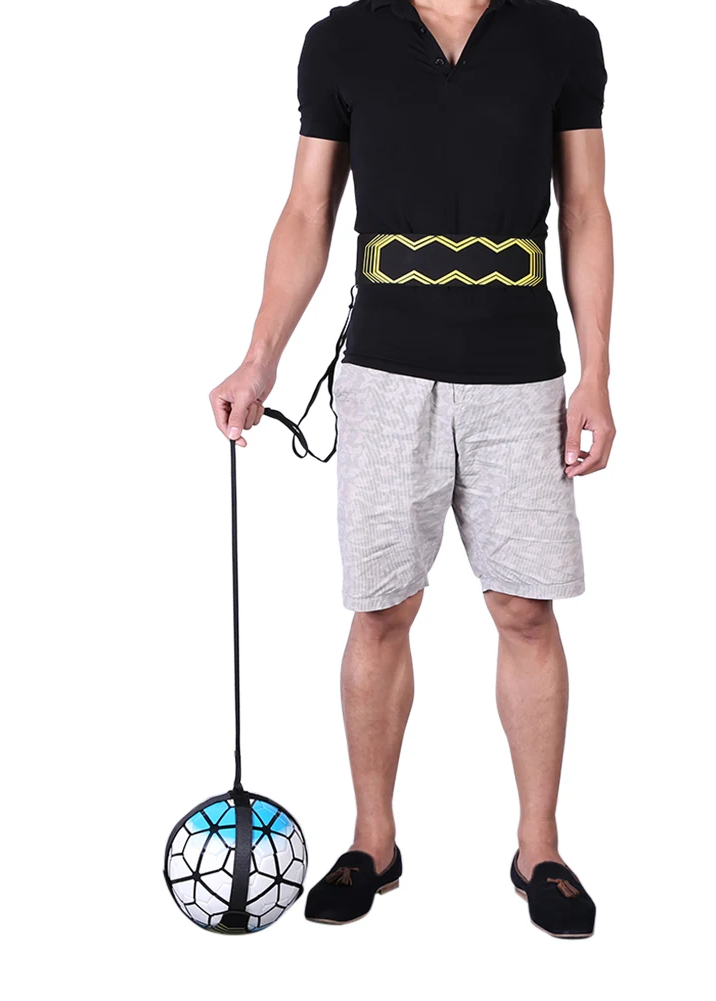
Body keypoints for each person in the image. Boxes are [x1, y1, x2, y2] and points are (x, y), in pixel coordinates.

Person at [209, 0, 613, 938]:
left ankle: (539, 849)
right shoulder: (341, 40)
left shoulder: (562, 37)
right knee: (381, 608)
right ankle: (373, 842)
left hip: (519, 373)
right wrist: (260, 357)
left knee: (524, 608)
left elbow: (586, 208)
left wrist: (595, 372)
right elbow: (308, 210)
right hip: (384, 371)